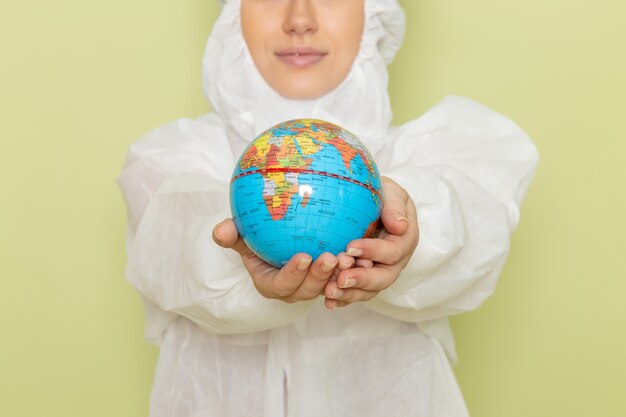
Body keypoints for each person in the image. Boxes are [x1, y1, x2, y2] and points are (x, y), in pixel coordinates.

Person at [118, 0, 538, 416]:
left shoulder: (437, 155)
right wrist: (227, 255)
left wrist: (408, 226)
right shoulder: (167, 160)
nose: (299, 20)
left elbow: (471, 219)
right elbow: (176, 233)